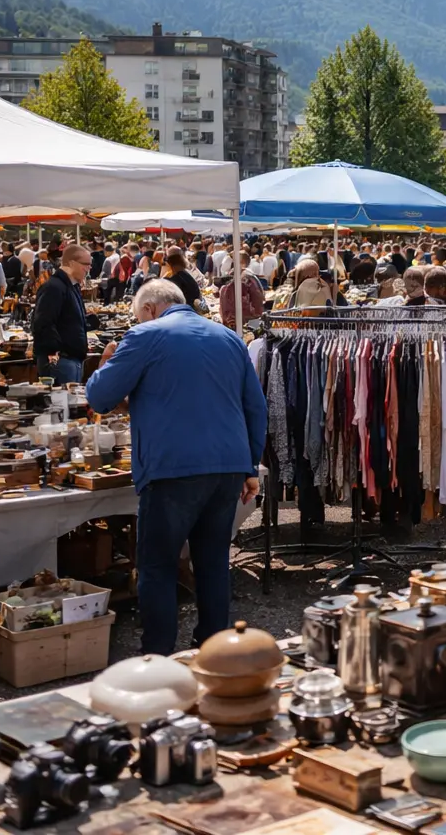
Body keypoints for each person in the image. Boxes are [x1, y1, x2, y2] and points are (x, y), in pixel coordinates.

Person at [86, 279, 267, 655]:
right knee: (213, 561)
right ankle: (215, 649)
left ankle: (158, 655)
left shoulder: (145, 335)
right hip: (227, 464)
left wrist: (104, 364)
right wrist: (250, 466)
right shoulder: (228, 338)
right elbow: (255, 406)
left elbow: (100, 397)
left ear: (149, 309)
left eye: (139, 316)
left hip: (172, 467)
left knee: (158, 565)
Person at [31, 243, 92, 385]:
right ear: (71, 263)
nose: (88, 269)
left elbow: (67, 319)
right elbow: (42, 323)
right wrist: (54, 351)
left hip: (71, 359)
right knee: (62, 398)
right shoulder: (54, 287)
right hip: (61, 361)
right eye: (86, 264)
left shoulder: (70, 286)